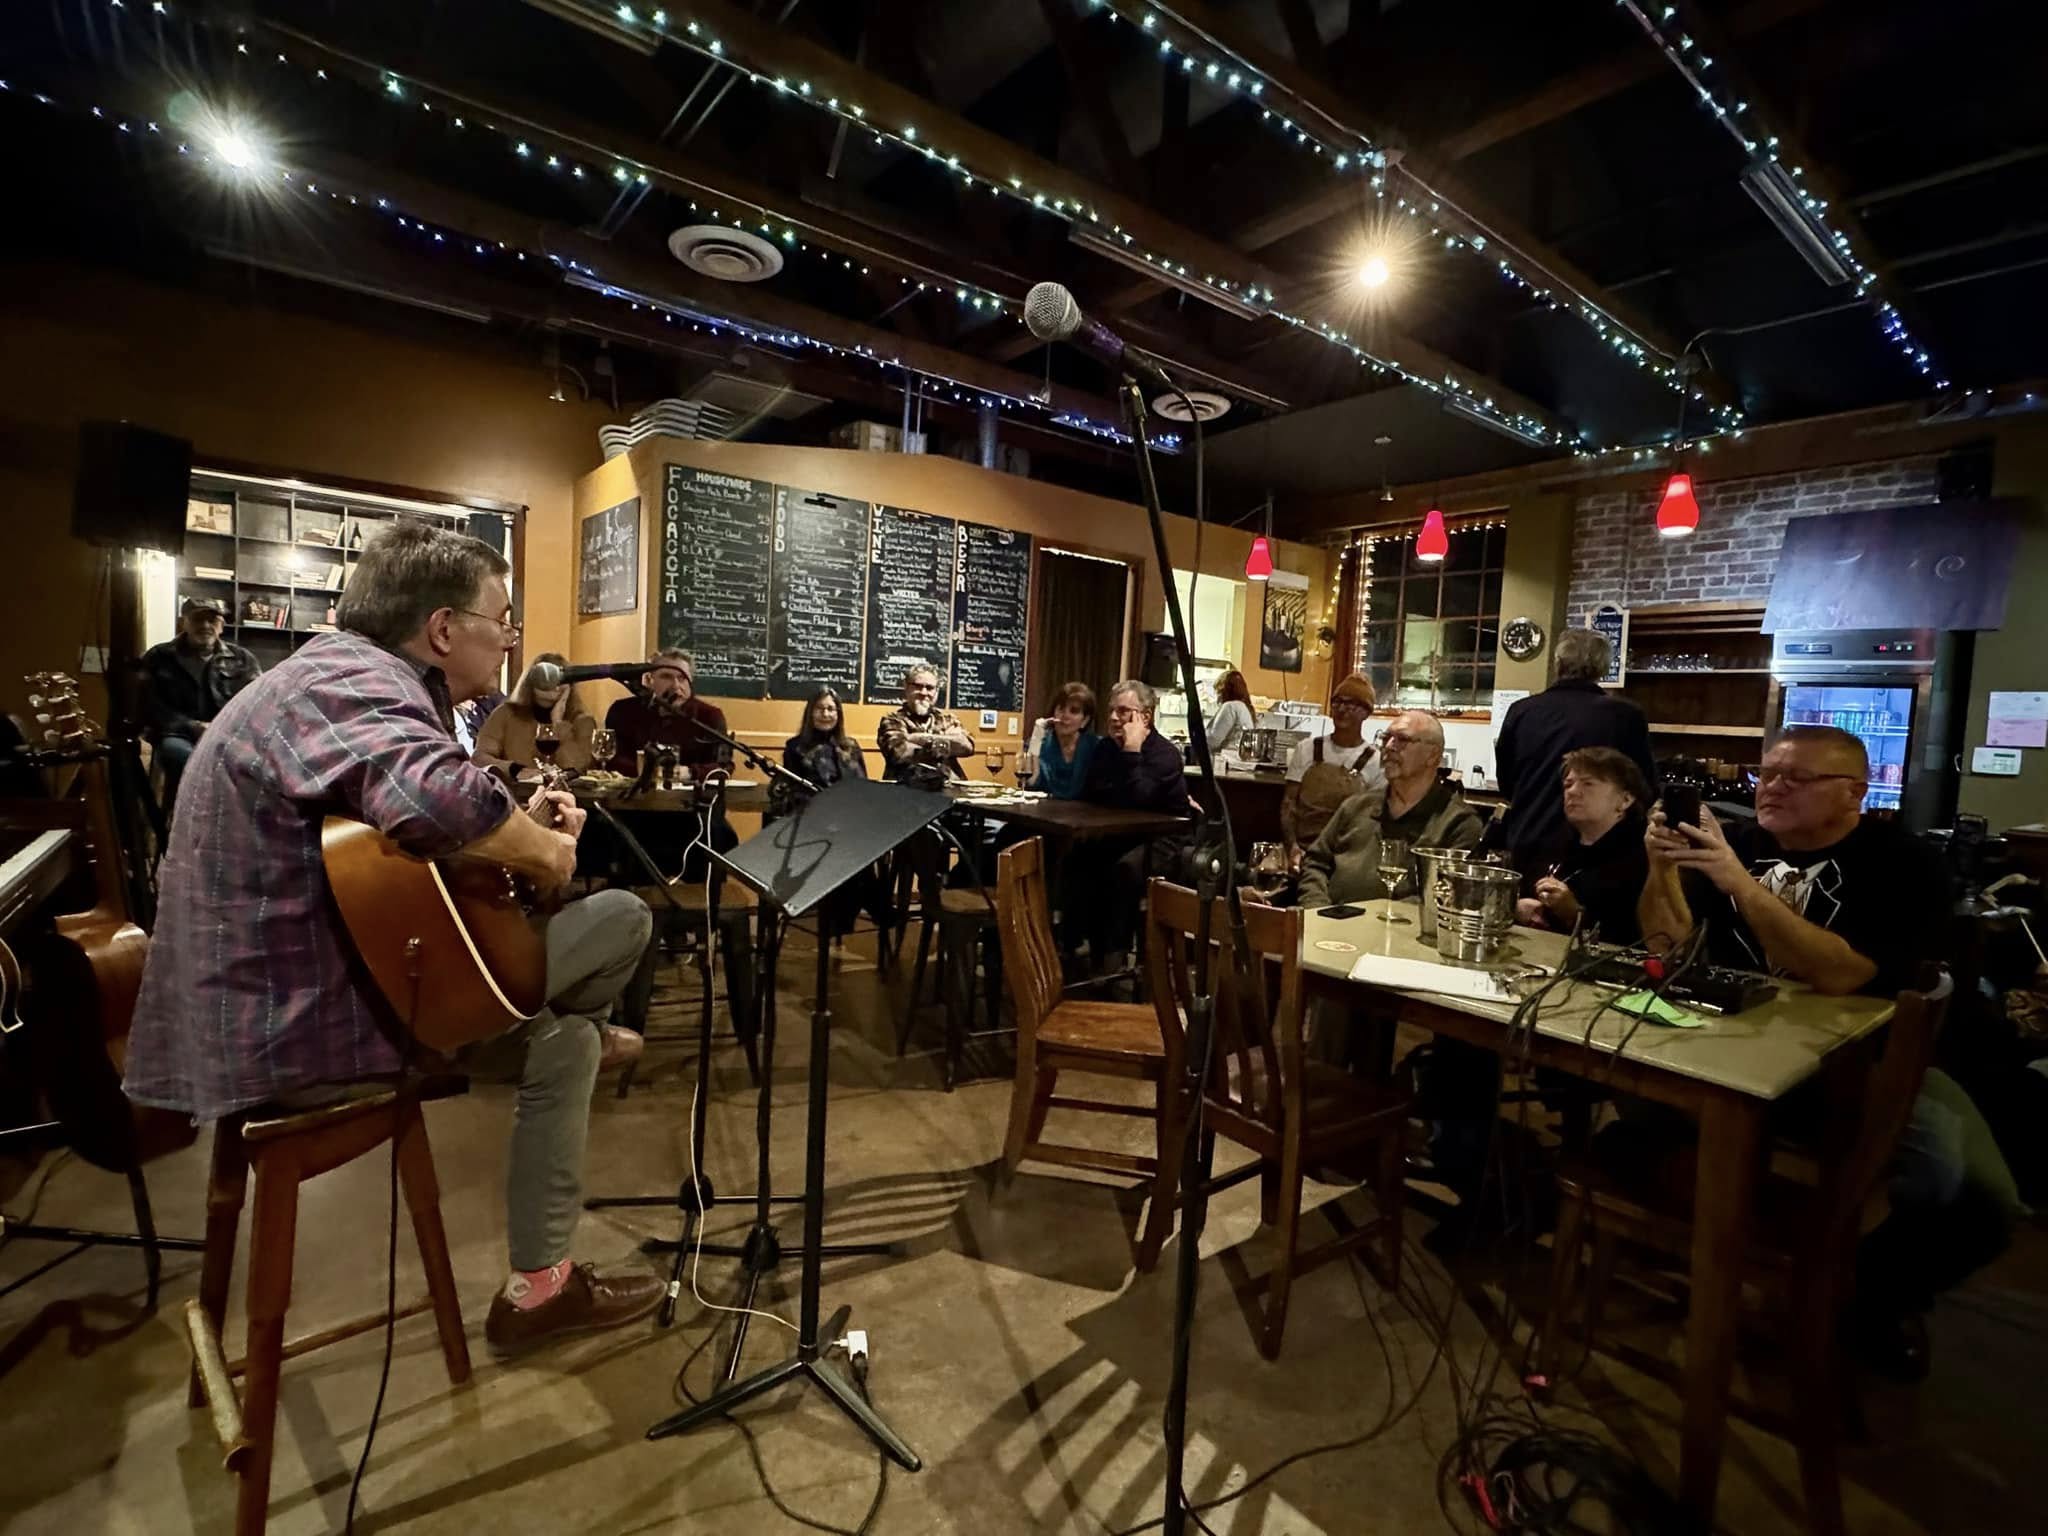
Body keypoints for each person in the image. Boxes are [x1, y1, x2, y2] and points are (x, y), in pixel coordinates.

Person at [123, 520, 662, 1353]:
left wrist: (505, 828)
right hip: (303, 1028)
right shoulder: (351, 679)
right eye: (502, 620)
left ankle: (539, 1292)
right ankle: (580, 1019)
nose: (510, 640)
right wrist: (546, 852)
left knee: (565, 1047)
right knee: (624, 917)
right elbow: (435, 802)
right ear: (444, 628)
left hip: (291, 1003)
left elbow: (394, 823)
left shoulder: (325, 677)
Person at [1639, 725, 2018, 1378]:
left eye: (1798, 778)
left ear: (1853, 794)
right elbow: (1669, 950)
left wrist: (1741, 886)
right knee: (1636, 1110)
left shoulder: (1901, 863)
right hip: (1741, 1057)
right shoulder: (1740, 847)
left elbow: (1844, 975)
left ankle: (1865, 1300)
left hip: (1865, 1065)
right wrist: (1661, 869)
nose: (1774, 787)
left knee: (1977, 1196)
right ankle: (1711, 1262)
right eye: (1769, 773)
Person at [1494, 629, 1656, 861]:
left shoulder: (1522, 711)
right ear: (1603, 667)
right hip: (1597, 850)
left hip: (1527, 840)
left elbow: (1507, 783)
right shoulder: (1625, 716)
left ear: (1558, 663)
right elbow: (1644, 789)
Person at [1297, 710, 1485, 909]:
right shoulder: (1356, 806)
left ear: (1433, 755)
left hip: (1402, 934)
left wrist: (1368, 921)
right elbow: (1315, 863)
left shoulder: (1458, 823)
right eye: (1386, 738)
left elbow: (1444, 896)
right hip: (1328, 928)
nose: (1388, 747)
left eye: (1402, 739)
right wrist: (1317, 909)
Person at [1062, 679, 1192, 966]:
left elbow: (1139, 799)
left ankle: (1113, 957)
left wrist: (1132, 752)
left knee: (1124, 870)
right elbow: (1091, 793)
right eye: (1111, 711)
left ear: (1144, 716)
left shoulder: (1165, 755)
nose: (1112, 718)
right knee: (1075, 857)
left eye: (1122, 711)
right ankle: (1072, 947)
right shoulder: (1106, 749)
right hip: (1119, 833)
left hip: (1163, 840)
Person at [1510, 747, 1651, 942]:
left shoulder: (1641, 859)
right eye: (1568, 784)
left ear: (1625, 800)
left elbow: (1636, 938)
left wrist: (1575, 915)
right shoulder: (1552, 845)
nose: (1573, 792)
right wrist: (1520, 908)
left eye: (1588, 784)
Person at [138, 596, 261, 811]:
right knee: (188, 761)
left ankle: (236, 825)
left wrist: (223, 729)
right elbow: (147, 706)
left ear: (221, 626)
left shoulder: (242, 659)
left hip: (227, 735)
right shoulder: (159, 656)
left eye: (212, 620)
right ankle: (186, 822)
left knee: (258, 765)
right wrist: (192, 726)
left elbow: (257, 703)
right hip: (176, 735)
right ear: (183, 623)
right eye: (197, 620)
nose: (205, 626)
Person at [1281, 673, 1386, 871]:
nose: (1342, 709)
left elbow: (1371, 820)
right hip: (1303, 852)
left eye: (1351, 704)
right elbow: (1289, 804)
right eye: (1337, 702)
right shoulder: (1307, 748)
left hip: (1345, 858)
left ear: (1366, 712)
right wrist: (1292, 848)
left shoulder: (1375, 760)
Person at [602, 650, 730, 777]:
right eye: (666, 677)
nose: (676, 686)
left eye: (682, 678)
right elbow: (612, 758)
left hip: (690, 794)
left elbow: (722, 767)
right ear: (649, 680)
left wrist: (688, 772)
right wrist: (654, 772)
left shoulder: (709, 716)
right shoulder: (622, 711)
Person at [473, 652, 597, 776]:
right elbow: (479, 758)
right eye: (546, 676)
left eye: (561, 677)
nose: (554, 683)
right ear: (531, 681)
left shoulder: (583, 721)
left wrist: (558, 724)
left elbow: (579, 769)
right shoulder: (506, 714)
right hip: (516, 792)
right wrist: (514, 770)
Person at [772, 685, 868, 816]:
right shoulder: (795, 748)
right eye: (819, 708)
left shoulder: (851, 747)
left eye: (831, 709)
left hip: (849, 816)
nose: (825, 714)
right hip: (811, 817)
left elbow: (863, 787)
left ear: (838, 714)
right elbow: (790, 791)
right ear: (810, 712)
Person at [876, 663, 975, 782]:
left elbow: (967, 747)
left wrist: (914, 738)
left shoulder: (948, 719)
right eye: (917, 686)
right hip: (905, 791)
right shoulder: (892, 720)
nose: (923, 692)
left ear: (937, 691)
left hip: (950, 790)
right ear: (906, 687)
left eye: (930, 688)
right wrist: (946, 742)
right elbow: (899, 753)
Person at [1020, 681, 1101, 798]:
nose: (1065, 715)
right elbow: (1029, 783)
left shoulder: (1096, 746)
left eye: (1074, 711)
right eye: (1061, 709)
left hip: (1084, 815)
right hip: (1043, 812)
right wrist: (1036, 736)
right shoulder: (1039, 743)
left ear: (1085, 720)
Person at [1206, 669, 1256, 757]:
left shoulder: (1230, 707)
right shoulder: (1243, 707)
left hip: (1227, 760)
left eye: (1217, 691)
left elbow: (1213, 740)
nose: (1217, 697)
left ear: (1223, 690)